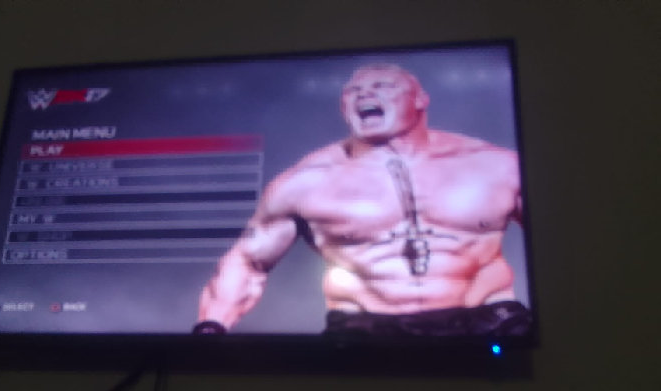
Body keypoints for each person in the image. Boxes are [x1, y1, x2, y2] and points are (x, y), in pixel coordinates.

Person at [194, 63, 531, 336]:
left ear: (420, 99)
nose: (365, 94)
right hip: (366, 328)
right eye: (353, 91)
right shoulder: (305, 181)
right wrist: (210, 329)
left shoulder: (496, 166)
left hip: (488, 319)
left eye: (382, 86)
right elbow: (247, 261)